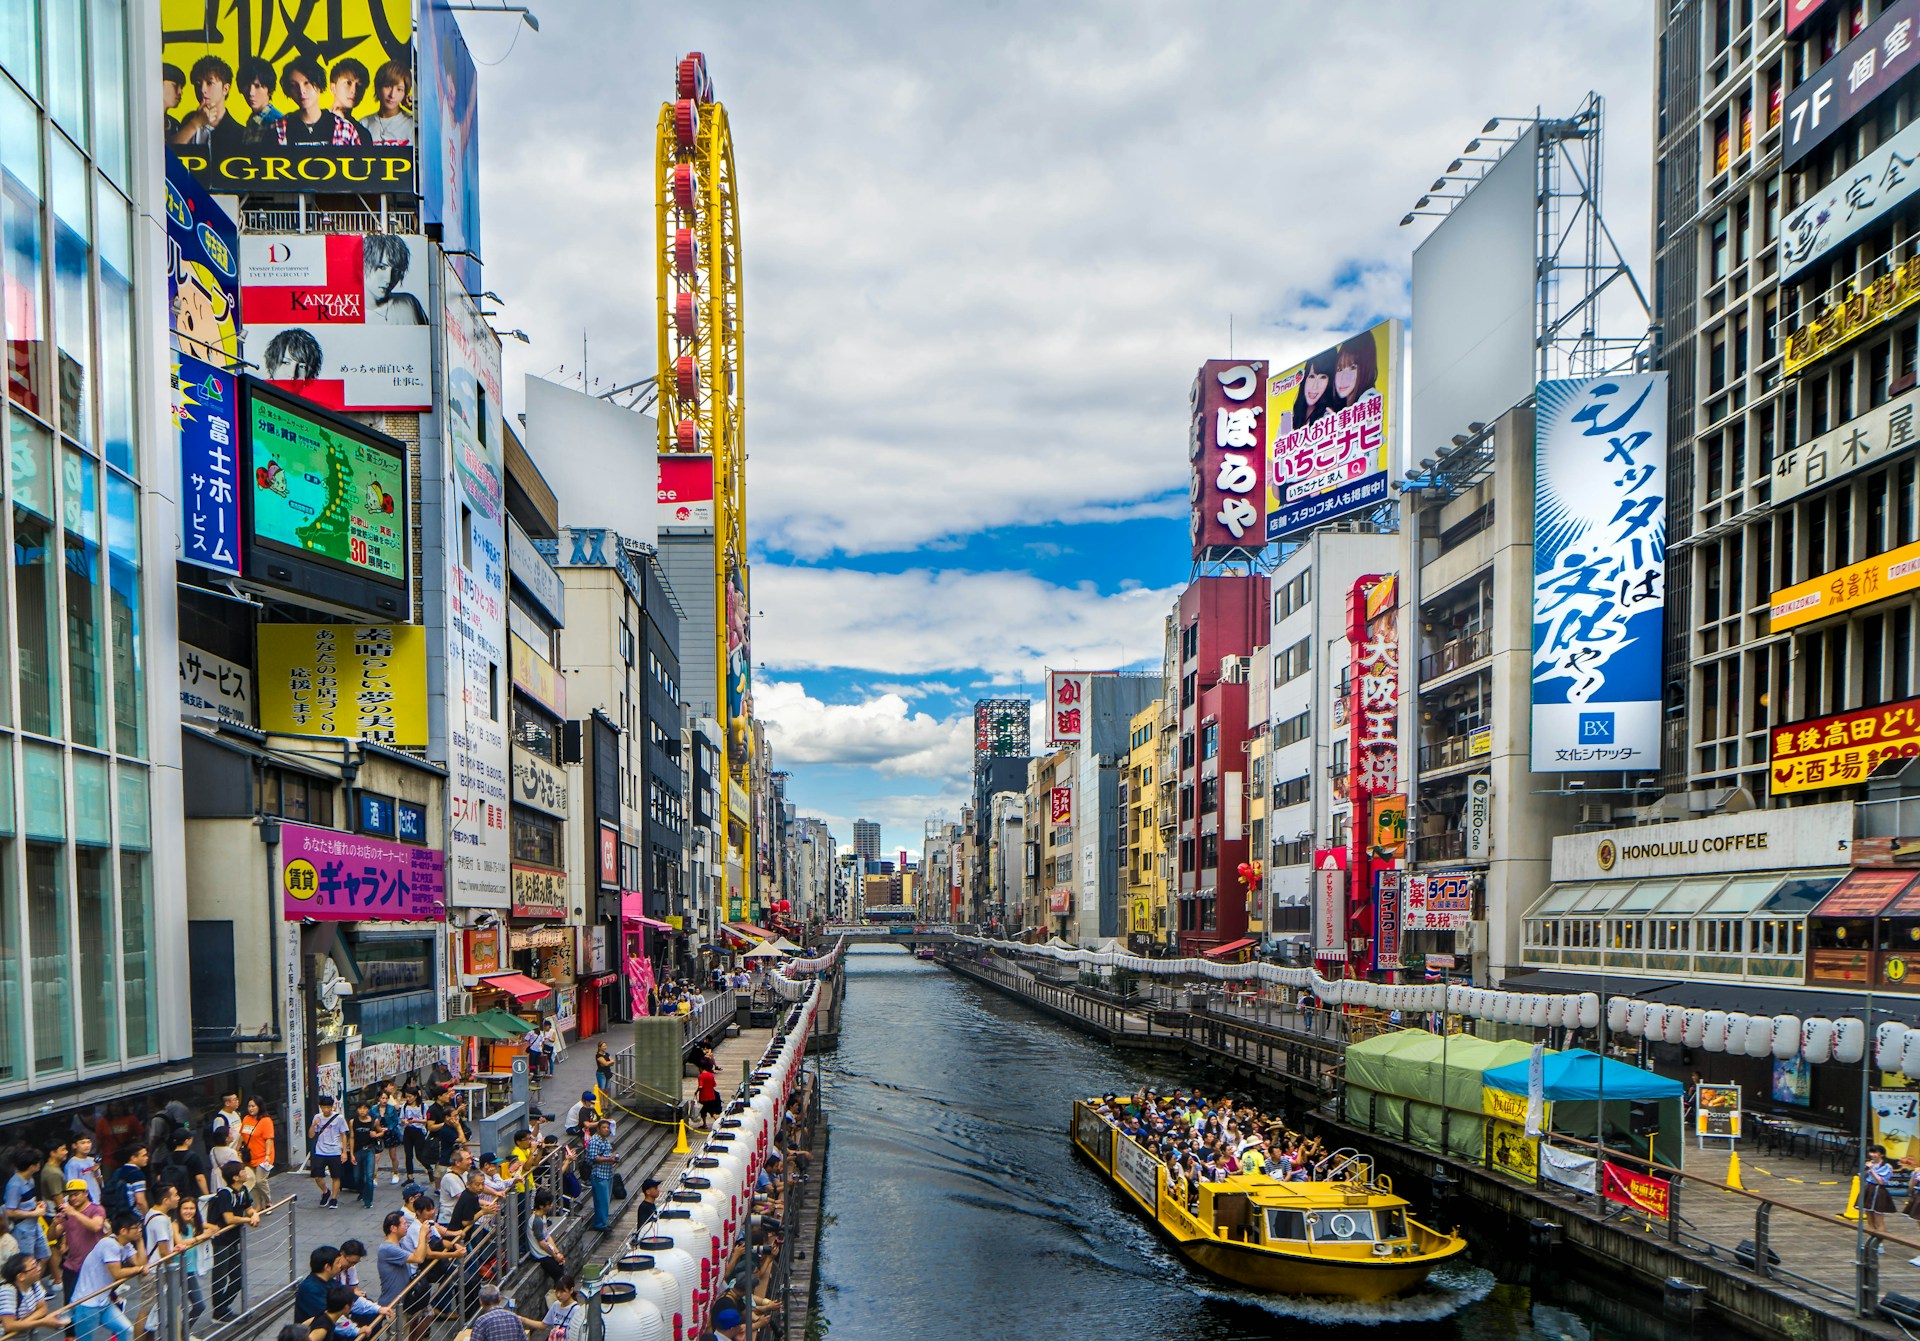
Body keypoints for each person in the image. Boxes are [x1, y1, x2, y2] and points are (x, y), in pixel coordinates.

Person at [69, 1211, 142, 1341]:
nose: (139, 1229)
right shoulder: (109, 1244)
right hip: (86, 1303)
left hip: (103, 1301)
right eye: (136, 1227)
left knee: (126, 1329)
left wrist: (140, 1240)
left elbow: (141, 1262)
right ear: (124, 1231)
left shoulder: (125, 1245)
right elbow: (117, 1273)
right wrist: (140, 1269)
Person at [274, 55, 366, 147]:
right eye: (294, 85)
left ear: (319, 85)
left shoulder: (345, 128)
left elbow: (357, 160)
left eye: (307, 83)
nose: (302, 91)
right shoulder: (279, 128)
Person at [207, 1162, 258, 1323]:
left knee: (237, 1277)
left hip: (233, 1240)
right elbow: (229, 1218)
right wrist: (248, 1219)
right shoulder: (225, 1194)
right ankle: (218, 1312)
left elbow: (249, 1206)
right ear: (235, 1177)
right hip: (221, 1240)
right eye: (243, 1171)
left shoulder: (242, 1190)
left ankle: (222, 1308)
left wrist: (253, 1214)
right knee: (220, 1277)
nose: (246, 1173)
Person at [55, 1182, 104, 1306]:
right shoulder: (67, 1213)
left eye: (76, 1194)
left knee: (93, 1304)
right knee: (70, 1305)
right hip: (72, 1267)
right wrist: (54, 1223)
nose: (72, 1198)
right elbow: (53, 1235)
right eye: (70, 1196)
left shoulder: (96, 1209)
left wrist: (75, 1213)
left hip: (94, 1267)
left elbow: (96, 1226)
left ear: (86, 1193)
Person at [170, 1194, 213, 1326]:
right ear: (179, 1210)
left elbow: (212, 1228)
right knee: (175, 1307)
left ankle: (183, 1332)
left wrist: (207, 1231)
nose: (188, 1211)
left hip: (189, 1269)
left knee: (198, 1305)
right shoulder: (175, 1224)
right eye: (185, 1208)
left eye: (192, 1208)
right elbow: (180, 1243)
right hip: (177, 1269)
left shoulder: (193, 1223)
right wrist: (200, 1237)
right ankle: (181, 1333)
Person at [2, 1153, 48, 1274]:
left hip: (34, 1224)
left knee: (44, 1255)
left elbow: (27, 1202)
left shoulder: (30, 1180)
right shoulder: (15, 1185)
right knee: (27, 1263)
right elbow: (10, 1212)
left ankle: (37, 1289)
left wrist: (38, 1205)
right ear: (32, 1166)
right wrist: (36, 1213)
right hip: (23, 1229)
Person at [0, 1252, 61, 1335]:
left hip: (26, 1335)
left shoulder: (34, 1284)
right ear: (21, 1276)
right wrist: (42, 1322)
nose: (39, 1268)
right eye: (34, 1266)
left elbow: (43, 1308)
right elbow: (9, 1325)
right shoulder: (8, 1291)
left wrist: (23, 1323)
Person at [1286, 348, 1339, 432]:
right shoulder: (1286, 419)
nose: (1315, 386)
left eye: (1323, 377)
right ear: (1304, 379)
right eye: (1312, 376)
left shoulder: (1329, 418)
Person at [361, 61, 414, 145]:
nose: (392, 95)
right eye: (388, 86)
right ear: (378, 87)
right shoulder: (364, 124)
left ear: (405, 93)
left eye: (399, 89)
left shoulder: (412, 124)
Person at [309, 1095, 347, 1209]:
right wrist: (314, 1125)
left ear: (332, 1107)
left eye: (328, 1107)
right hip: (320, 1150)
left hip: (335, 1151)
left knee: (336, 1176)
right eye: (324, 1107)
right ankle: (325, 1191)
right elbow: (311, 1135)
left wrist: (344, 1152)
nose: (326, 1110)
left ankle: (334, 1198)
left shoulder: (339, 1118)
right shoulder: (317, 1117)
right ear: (320, 1107)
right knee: (317, 1176)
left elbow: (344, 1135)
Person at [234, 56, 282, 146]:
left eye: (257, 86)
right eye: (247, 86)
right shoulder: (253, 119)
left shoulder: (276, 123)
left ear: (269, 90)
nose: (251, 93)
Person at [239, 1097, 276, 1205]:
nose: (250, 1108)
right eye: (249, 1106)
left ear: (259, 1107)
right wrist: (237, 1150)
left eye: (253, 1106)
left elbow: (269, 1139)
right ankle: (258, 1204)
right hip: (250, 1156)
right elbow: (242, 1136)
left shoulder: (266, 1121)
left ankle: (268, 1201)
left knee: (260, 1181)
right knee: (252, 1181)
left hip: (263, 1156)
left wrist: (268, 1155)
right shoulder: (246, 1119)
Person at [328, 57, 371, 142]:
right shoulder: (316, 121)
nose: (354, 90)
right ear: (333, 88)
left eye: (359, 85)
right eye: (348, 83)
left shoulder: (363, 134)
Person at [350, 1102, 383, 1210]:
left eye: (365, 1108)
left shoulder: (374, 1121)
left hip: (369, 1149)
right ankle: (362, 1191)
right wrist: (351, 1154)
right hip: (358, 1150)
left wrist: (376, 1135)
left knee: (369, 1176)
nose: (362, 1111)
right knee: (356, 1177)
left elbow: (381, 1132)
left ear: (368, 1110)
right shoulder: (353, 1121)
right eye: (360, 1108)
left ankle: (368, 1200)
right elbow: (352, 1137)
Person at [584, 1121, 616, 1233]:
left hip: (608, 1173)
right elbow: (594, 1157)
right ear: (598, 1129)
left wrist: (612, 1160)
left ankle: (603, 1222)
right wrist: (609, 1159)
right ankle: (600, 1224)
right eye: (604, 1127)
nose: (607, 1129)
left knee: (605, 1200)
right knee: (601, 1200)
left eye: (608, 1127)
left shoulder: (605, 1140)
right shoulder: (595, 1141)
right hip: (599, 1175)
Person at [525, 1190, 564, 1282]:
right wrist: (555, 1256)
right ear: (541, 1206)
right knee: (560, 1276)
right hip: (541, 1256)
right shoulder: (536, 1221)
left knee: (561, 1268)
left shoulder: (543, 1217)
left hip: (547, 1253)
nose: (551, 1206)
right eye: (549, 1204)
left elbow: (547, 1236)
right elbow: (542, 1243)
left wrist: (557, 1252)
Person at [1864, 1143, 1896, 1234]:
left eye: (1875, 1153)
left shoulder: (1886, 1166)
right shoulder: (1870, 1164)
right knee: (1869, 1219)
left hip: (1878, 1190)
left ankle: (1879, 1244)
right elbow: (1862, 1177)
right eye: (1871, 1152)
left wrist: (1872, 1170)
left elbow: (1880, 1181)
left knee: (1878, 1219)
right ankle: (1870, 1242)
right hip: (1869, 1189)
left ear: (1882, 1154)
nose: (1872, 1155)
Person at [375, 1085, 404, 1185]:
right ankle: (374, 1176)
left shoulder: (391, 1109)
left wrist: (388, 1128)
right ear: (379, 1098)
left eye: (386, 1098)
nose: (384, 1100)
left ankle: (395, 1173)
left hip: (390, 1133)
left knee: (393, 1155)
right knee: (376, 1156)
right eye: (382, 1098)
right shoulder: (374, 1109)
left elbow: (396, 1121)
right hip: (378, 1133)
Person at [208, 1092, 244, 1172]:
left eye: (237, 1099)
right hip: (228, 1156)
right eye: (235, 1100)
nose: (237, 1101)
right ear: (227, 1103)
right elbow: (218, 1138)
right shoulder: (220, 1119)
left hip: (238, 1151)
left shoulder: (236, 1113)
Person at [63, 1139, 100, 1206]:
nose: (87, 1145)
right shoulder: (72, 1164)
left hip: (96, 1200)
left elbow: (100, 1182)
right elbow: (72, 1187)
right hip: (84, 1203)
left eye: (88, 1142)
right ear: (74, 1145)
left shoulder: (92, 1160)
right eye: (83, 1143)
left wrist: (96, 1171)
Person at [694, 1065, 721, 1131]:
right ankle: (719, 1122)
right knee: (712, 1110)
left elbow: (700, 1086)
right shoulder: (711, 1075)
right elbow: (714, 1085)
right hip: (712, 1096)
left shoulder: (701, 1076)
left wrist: (696, 1092)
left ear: (700, 1068)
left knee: (703, 1111)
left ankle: (705, 1124)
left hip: (703, 1097)